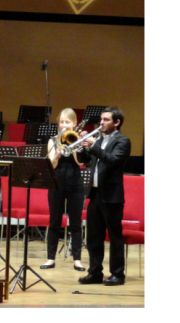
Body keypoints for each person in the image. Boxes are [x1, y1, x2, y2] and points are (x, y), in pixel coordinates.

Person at [77, 107, 131, 286]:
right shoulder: (98, 140)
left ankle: (117, 274)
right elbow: (85, 160)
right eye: (101, 119)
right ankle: (95, 273)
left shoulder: (122, 141)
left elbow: (113, 160)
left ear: (117, 122)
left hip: (112, 196)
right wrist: (82, 147)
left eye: (106, 120)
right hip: (95, 194)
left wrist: (93, 146)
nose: (101, 123)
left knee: (115, 237)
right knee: (93, 237)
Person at [40, 108, 86, 272]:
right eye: (61, 122)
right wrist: (58, 154)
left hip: (75, 185)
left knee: (76, 223)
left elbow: (80, 163)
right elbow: (51, 165)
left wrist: (74, 145)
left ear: (74, 123)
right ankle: (50, 258)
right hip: (57, 184)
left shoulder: (78, 140)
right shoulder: (53, 140)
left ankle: (77, 260)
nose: (64, 125)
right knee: (54, 221)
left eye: (67, 122)